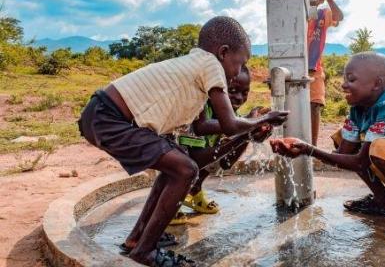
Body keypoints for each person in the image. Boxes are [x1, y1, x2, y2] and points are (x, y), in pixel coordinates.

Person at [78, 16, 288, 267]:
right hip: (111, 118)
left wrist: (249, 125)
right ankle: (145, 251)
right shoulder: (210, 66)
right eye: (239, 63)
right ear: (223, 53)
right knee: (185, 169)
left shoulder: (196, 66)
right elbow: (231, 125)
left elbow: (201, 126)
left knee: (175, 166)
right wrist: (264, 119)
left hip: (101, 114)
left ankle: (136, 239)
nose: (236, 74)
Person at [271, 52, 385, 236]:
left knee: (379, 147)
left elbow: (359, 162)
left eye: (351, 80)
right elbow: (345, 154)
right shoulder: (358, 109)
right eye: (344, 79)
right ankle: (384, 202)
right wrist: (306, 150)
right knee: (345, 138)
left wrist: (308, 150)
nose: (343, 85)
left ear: (376, 83)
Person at [170, 65, 272, 224]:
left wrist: (247, 134)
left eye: (244, 92)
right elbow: (196, 160)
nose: (239, 98)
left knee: (218, 151)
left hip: (189, 156)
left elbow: (226, 162)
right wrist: (247, 129)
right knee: (191, 160)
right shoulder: (197, 108)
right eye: (231, 91)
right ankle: (168, 203)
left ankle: (193, 191)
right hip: (155, 151)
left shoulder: (231, 114)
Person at [307, 0, 343, 146]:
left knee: (314, 105)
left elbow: (339, 17)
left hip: (314, 67)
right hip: (293, 64)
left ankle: (312, 147)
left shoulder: (323, 13)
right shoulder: (296, 10)